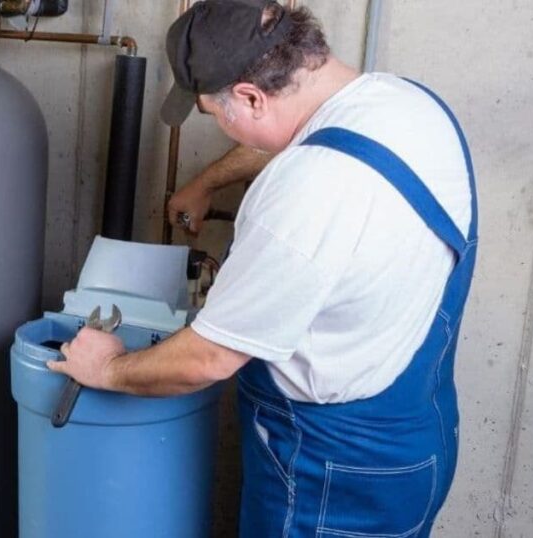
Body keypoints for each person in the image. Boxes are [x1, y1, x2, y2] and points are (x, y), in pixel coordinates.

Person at [46, 0, 478, 536]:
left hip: (329, 477)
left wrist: (107, 368)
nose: (221, 126)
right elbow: (308, 132)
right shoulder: (404, 104)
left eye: (212, 111)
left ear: (250, 97)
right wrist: (208, 182)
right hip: (417, 440)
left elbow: (205, 360)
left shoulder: (306, 195)